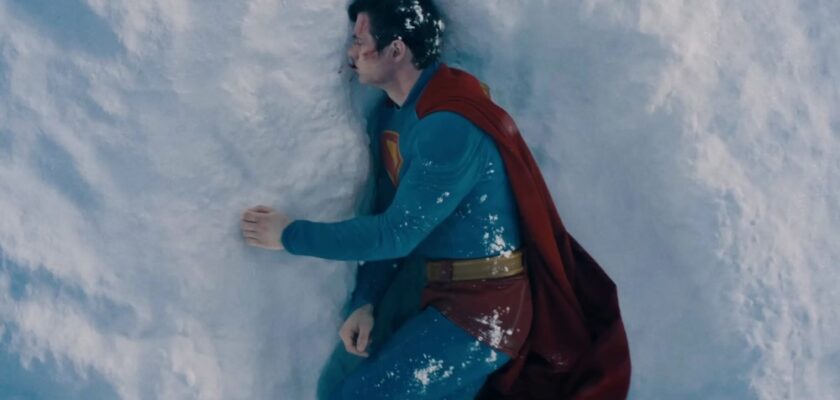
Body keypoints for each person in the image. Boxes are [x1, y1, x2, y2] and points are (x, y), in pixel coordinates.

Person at [240, 0, 631, 398]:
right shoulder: (395, 118)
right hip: (444, 300)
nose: (350, 52)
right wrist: (365, 300)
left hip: (486, 311)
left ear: (396, 50)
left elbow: (395, 235)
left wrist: (289, 235)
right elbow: (389, 217)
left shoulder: (448, 125)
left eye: (360, 41)